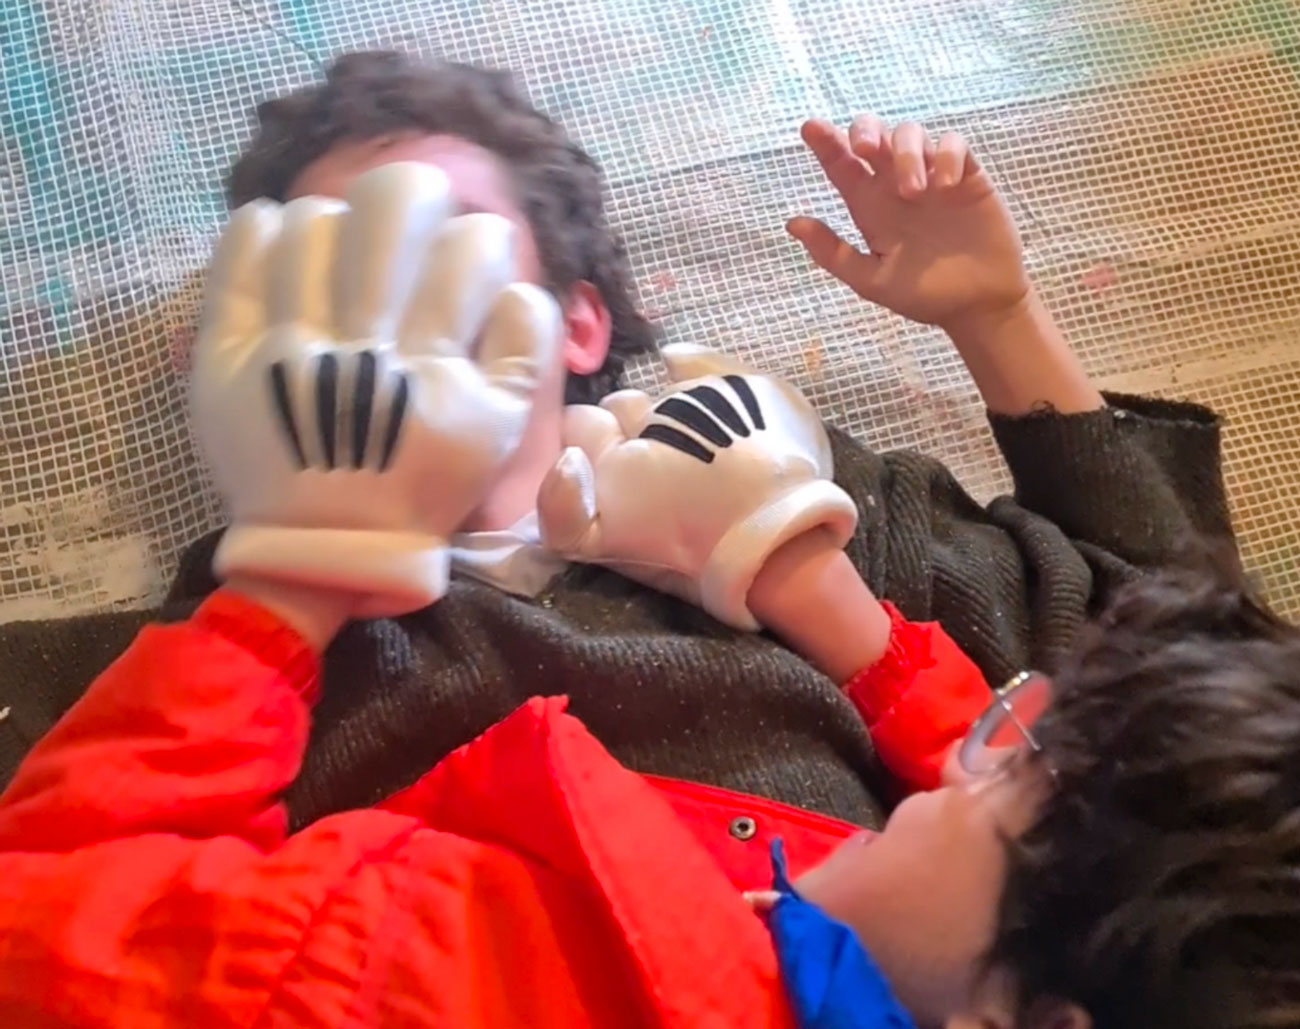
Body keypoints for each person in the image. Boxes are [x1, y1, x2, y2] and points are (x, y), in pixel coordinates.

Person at [0, 162, 1294, 1029]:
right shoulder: (810, 534)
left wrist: (294, 572)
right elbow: (1171, 670)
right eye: (324, 293)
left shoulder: (406, 965)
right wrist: (819, 583)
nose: (971, 757)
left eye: (443, 269)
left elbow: (48, 911)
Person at [1, 50, 1232, 838]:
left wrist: (996, 320)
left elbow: (1204, 712)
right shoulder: (172, 671)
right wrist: (294, 572)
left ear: (578, 320)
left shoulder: (791, 486)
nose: (389, 291)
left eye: (444, 238)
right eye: (335, 257)